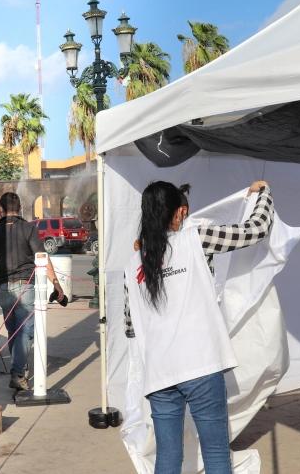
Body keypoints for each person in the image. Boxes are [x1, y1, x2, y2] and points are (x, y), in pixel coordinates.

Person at [124, 180, 274, 474]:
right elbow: (256, 230)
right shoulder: (197, 239)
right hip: (200, 364)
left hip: (160, 375)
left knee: (167, 456)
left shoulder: (133, 264)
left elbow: (130, 326)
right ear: (179, 213)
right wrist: (263, 195)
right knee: (216, 452)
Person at [0, 192, 64, 391]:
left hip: (4, 288)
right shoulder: (29, 229)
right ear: (20, 209)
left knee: (13, 331)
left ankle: (19, 369)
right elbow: (42, 257)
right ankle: (17, 373)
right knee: (24, 331)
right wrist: (56, 283)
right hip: (25, 286)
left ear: (0, 210)